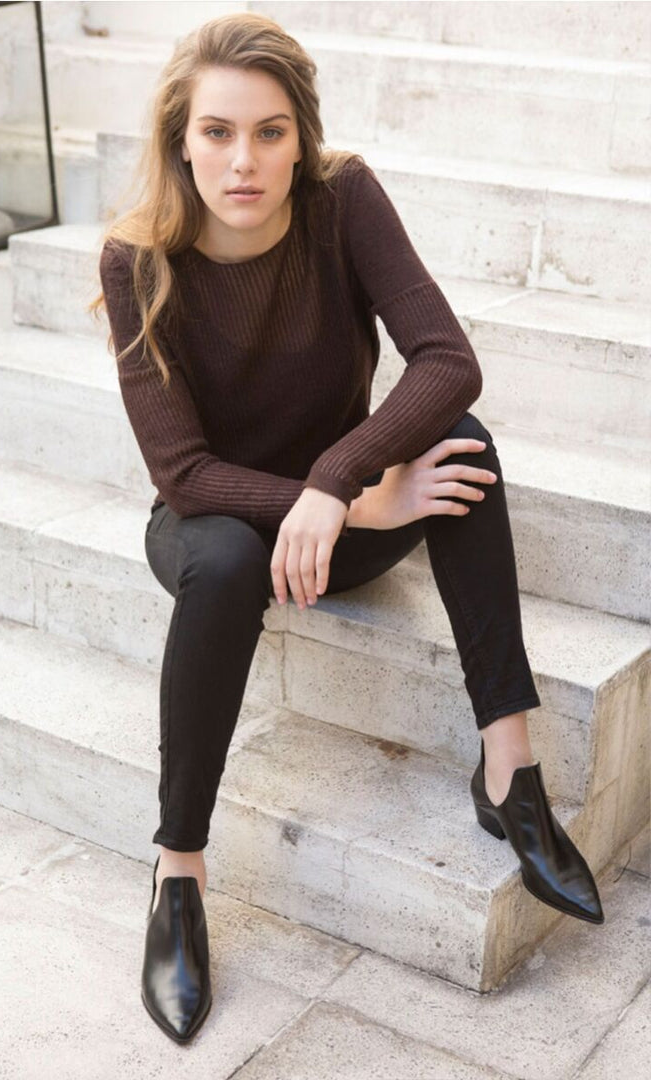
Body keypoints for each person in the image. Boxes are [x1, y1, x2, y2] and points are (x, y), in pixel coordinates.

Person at [91, 11, 604, 1046]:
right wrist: (346, 498)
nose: (244, 160)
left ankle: (511, 770)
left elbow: (448, 360)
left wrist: (341, 484)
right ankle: (179, 872)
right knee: (225, 559)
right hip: (218, 525)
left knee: (462, 447)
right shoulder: (136, 259)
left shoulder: (343, 202)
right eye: (219, 132)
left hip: (347, 513)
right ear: (182, 141)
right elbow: (184, 473)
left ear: (302, 138)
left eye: (270, 132)